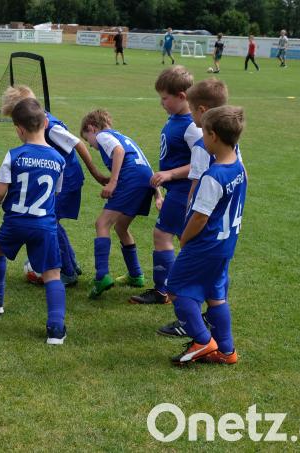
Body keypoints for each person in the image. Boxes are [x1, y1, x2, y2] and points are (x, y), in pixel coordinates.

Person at [0, 98, 68, 344]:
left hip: (15, 222)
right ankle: (56, 328)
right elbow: (55, 194)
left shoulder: (14, 155)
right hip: (45, 226)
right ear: (46, 123)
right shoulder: (59, 160)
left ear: (18, 129)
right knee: (52, 273)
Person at [0, 85, 109, 286]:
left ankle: (66, 271)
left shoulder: (51, 127)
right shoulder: (39, 122)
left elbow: (78, 143)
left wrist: (95, 172)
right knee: (54, 221)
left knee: (50, 222)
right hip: (59, 179)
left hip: (66, 181)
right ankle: (71, 263)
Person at [167, 105, 247, 365]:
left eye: (203, 133)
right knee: (215, 295)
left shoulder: (213, 176)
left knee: (178, 290)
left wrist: (184, 238)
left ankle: (203, 340)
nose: (201, 139)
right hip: (225, 245)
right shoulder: (239, 167)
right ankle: (226, 350)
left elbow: (200, 216)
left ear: (213, 136)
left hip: (204, 245)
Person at [130, 66, 199, 305]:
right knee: (179, 239)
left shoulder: (192, 126)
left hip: (184, 190)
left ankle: (166, 290)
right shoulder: (176, 118)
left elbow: (201, 163)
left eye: (165, 98)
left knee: (165, 235)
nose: (162, 103)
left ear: (182, 96)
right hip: (176, 191)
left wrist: (170, 173)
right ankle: (172, 289)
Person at [80, 110, 161, 299]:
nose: (92, 146)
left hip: (130, 180)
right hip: (145, 182)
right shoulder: (123, 137)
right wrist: (157, 194)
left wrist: (113, 182)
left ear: (92, 128)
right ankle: (135, 275)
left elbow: (118, 151)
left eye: (88, 140)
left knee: (102, 224)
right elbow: (147, 167)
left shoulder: (103, 136)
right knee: (121, 227)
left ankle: (101, 276)